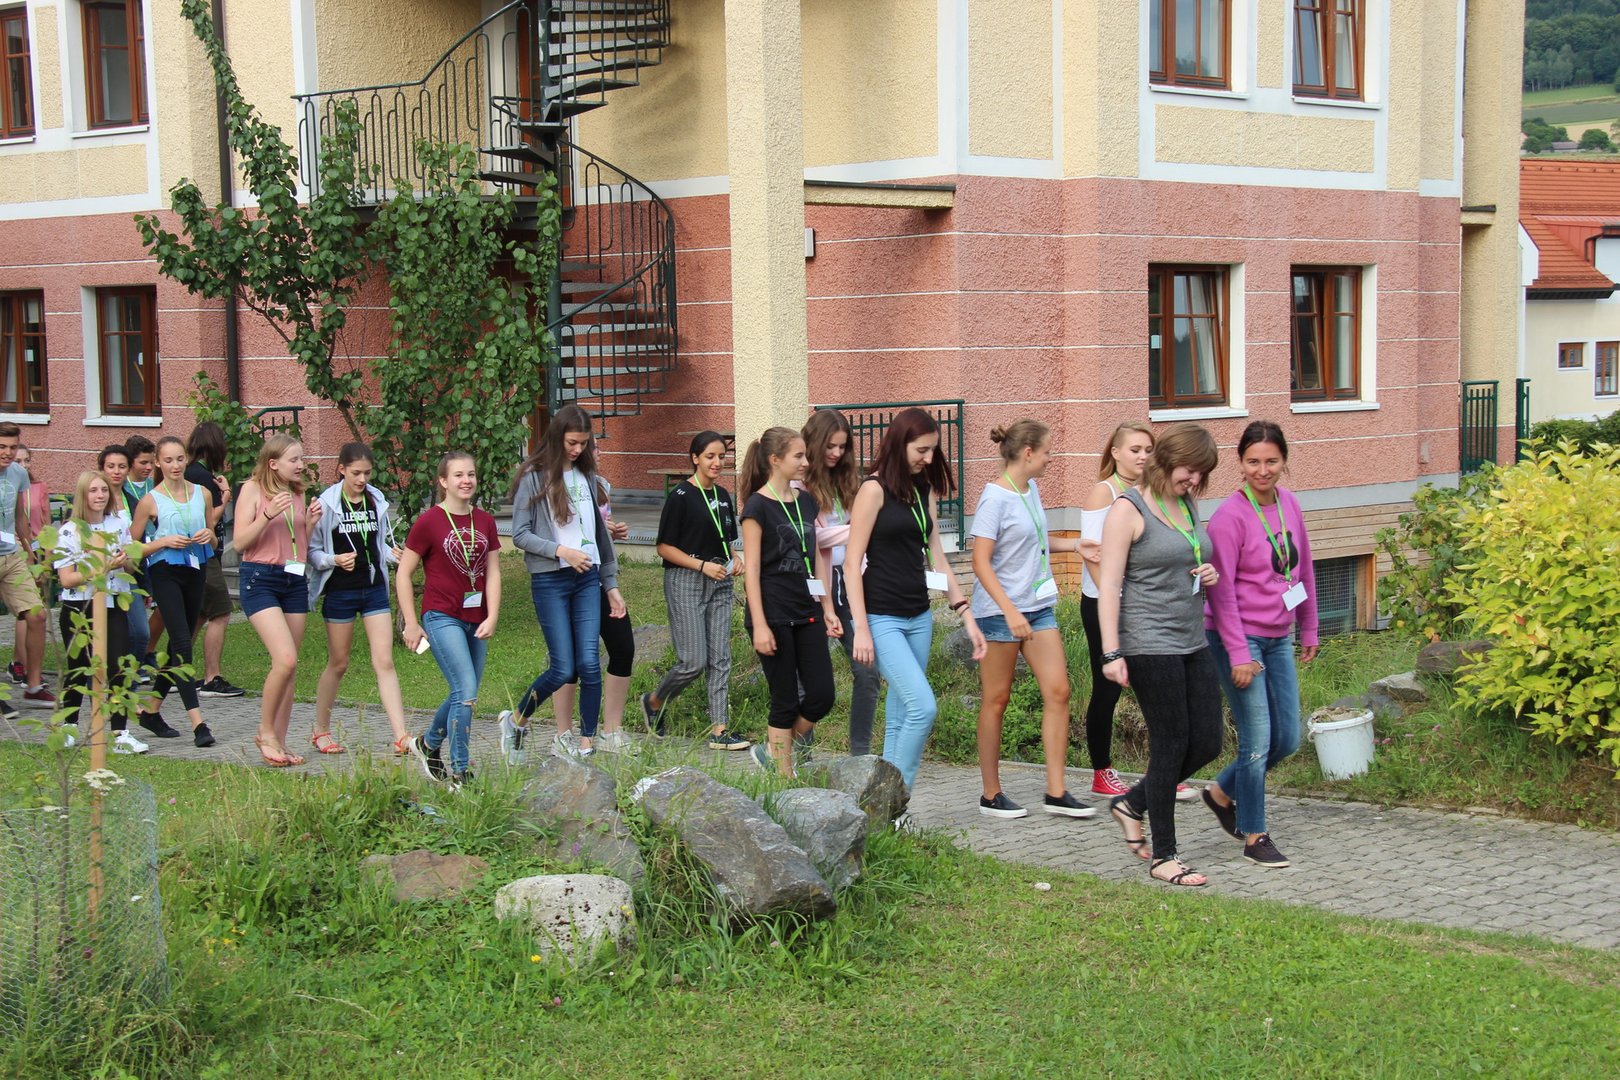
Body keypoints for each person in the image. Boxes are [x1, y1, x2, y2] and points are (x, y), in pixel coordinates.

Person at [1097, 423, 1222, 887]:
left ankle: (1132, 803)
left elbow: (1189, 551)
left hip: (1192, 637)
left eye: (1202, 474)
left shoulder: (1186, 502)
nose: (1195, 480)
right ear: (1166, 460)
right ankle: (1164, 856)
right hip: (1148, 641)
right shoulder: (1126, 510)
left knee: (1207, 742)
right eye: (1190, 470)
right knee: (1170, 743)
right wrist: (1112, 652)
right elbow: (1109, 586)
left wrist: (1207, 571)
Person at [845, 407, 985, 790]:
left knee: (900, 714)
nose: (928, 458)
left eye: (933, 450)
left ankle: (881, 807)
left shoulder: (924, 489)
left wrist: (966, 614)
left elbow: (937, 554)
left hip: (919, 617)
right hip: (881, 617)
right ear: (899, 444)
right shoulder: (873, 490)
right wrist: (861, 629)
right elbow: (851, 563)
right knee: (923, 708)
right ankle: (898, 797)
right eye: (921, 450)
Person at [1201, 422, 1320, 869]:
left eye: (1271, 461)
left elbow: (1303, 568)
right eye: (1253, 461)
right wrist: (1239, 653)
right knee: (1257, 739)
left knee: (1287, 739)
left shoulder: (1290, 504)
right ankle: (1255, 835)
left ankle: (1221, 792)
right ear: (1241, 462)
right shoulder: (1229, 517)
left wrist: (1309, 626)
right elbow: (1221, 594)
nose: (1263, 470)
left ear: (1284, 461)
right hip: (1238, 637)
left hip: (1278, 635)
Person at [970, 420, 1095, 820]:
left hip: (1038, 608)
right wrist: (1009, 610)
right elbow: (980, 562)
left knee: (1059, 691)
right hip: (999, 613)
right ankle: (991, 794)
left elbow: (1036, 543)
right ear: (1028, 453)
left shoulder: (1031, 490)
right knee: (997, 700)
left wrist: (1074, 545)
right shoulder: (994, 498)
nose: (1049, 458)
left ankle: (1056, 791)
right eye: (1046, 452)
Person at [500, 405, 625, 762]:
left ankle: (587, 744)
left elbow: (598, 536)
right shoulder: (534, 477)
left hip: (587, 578)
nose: (577, 449)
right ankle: (515, 720)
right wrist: (561, 552)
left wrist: (611, 585)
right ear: (557, 437)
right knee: (563, 669)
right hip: (550, 581)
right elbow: (520, 534)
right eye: (572, 443)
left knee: (590, 664)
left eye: (583, 443)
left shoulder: (588, 476)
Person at [1080, 422, 1195, 802]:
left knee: (1154, 688)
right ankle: (1102, 771)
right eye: (1135, 450)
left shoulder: (1154, 493)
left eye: (1149, 450)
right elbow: (1094, 556)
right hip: (1104, 603)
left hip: (1143, 606)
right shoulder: (1105, 492)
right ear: (1115, 453)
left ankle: (1161, 770)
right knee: (1109, 688)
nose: (1143, 456)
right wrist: (1118, 602)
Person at [739, 426, 839, 776]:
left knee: (822, 695)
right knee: (784, 700)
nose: (805, 462)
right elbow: (752, 569)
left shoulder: (806, 501)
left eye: (805, 455)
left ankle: (773, 750)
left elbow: (815, 557)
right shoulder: (757, 506)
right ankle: (784, 780)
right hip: (774, 613)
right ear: (775, 460)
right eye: (798, 456)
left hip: (807, 610)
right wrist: (760, 625)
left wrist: (827, 608)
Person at [641, 431, 750, 751]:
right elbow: (664, 547)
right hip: (686, 580)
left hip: (720, 580)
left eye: (722, 457)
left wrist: (735, 557)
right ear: (695, 458)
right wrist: (701, 566)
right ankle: (654, 701)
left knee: (721, 656)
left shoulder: (724, 495)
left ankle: (719, 729)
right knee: (693, 661)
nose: (717, 462)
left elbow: (725, 540)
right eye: (710, 456)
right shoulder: (680, 496)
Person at [400, 451, 502, 789]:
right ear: (443, 481)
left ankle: (428, 744)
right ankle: (461, 773)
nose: (466, 480)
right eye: (458, 475)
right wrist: (411, 622)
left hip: (477, 617)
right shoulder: (429, 521)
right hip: (441, 614)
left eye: (471, 474)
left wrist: (493, 614)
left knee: (463, 691)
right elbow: (403, 573)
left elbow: (494, 572)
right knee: (466, 690)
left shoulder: (485, 521)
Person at [308, 442, 411, 755]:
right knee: (338, 663)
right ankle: (321, 731)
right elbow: (313, 553)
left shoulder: (375, 499)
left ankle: (401, 735)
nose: (362, 479)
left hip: (374, 589)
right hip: (341, 591)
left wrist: (393, 555)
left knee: (384, 661)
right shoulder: (327, 504)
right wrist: (335, 560)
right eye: (356, 473)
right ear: (341, 469)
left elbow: (376, 545)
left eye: (367, 473)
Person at [233, 434, 321, 765]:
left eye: (302, 459)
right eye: (294, 460)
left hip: (294, 579)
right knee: (284, 659)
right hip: (261, 578)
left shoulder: (297, 492)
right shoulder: (252, 490)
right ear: (273, 463)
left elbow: (297, 545)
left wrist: (309, 525)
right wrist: (267, 515)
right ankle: (265, 732)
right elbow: (240, 542)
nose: (301, 465)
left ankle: (280, 744)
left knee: (290, 668)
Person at [801, 409, 882, 756]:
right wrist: (858, 529)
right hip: (813, 585)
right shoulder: (800, 484)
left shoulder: (850, 482)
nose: (836, 453)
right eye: (830, 446)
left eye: (842, 446)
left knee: (868, 672)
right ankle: (799, 752)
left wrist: (855, 531)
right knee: (809, 678)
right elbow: (812, 537)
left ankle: (859, 754)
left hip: (851, 581)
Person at [130, 435, 217, 747]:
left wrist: (208, 535)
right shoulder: (151, 500)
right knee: (182, 642)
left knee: (181, 644)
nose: (175, 465)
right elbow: (131, 547)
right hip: (165, 571)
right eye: (168, 460)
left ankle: (152, 711)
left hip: (196, 567)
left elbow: (214, 539)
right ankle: (198, 723)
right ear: (158, 463)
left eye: (180, 459)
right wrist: (163, 541)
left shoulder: (203, 493)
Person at [51, 471, 147, 754]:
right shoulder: (70, 531)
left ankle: (120, 733)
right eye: (93, 490)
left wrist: (126, 560)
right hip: (79, 606)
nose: (100, 495)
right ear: (83, 495)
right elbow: (67, 579)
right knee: (79, 668)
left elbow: (130, 566)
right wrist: (102, 567)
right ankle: (69, 727)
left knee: (117, 666)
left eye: (104, 490)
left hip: (112, 603)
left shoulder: (118, 523)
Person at [548, 464, 636, 755]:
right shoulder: (550, 480)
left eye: (593, 446)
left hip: (599, 578)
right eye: (583, 445)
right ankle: (563, 734)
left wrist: (612, 531)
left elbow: (599, 532)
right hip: (568, 579)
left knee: (623, 647)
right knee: (570, 661)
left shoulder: (598, 483)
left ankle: (611, 731)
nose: (592, 452)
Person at [184, 422, 245, 698]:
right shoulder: (200, 476)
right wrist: (227, 496)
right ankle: (212, 678)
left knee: (198, 613)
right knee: (220, 611)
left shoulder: (193, 472)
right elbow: (207, 520)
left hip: (200, 555)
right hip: (204, 554)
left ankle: (173, 672)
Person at [0, 432, 51, 710]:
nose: (7, 453)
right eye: (2, 447)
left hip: (11, 555)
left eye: (12, 447)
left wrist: (30, 555)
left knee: (37, 614)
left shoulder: (18, 473)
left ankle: (33, 686)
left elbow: (19, 515)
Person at [100, 443, 153, 691]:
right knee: (107, 634)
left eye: (121, 466)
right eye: (111, 466)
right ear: (102, 468)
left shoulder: (133, 502)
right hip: (99, 578)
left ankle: (127, 686)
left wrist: (145, 584)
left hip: (127, 576)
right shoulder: (93, 499)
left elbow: (138, 544)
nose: (116, 471)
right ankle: (105, 684)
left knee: (141, 633)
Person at [9, 445, 49, 689]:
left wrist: (39, 555)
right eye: (18, 460)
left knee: (35, 610)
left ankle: (31, 677)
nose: (22, 465)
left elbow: (41, 520)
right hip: (12, 548)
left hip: (30, 549)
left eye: (26, 460)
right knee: (24, 613)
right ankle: (19, 664)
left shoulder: (35, 485)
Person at [123, 434, 158, 678]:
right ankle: (137, 658)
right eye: (143, 462)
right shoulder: (122, 489)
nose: (148, 468)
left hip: (156, 550)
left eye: (151, 462)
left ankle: (147, 651)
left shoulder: (154, 485)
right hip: (134, 555)